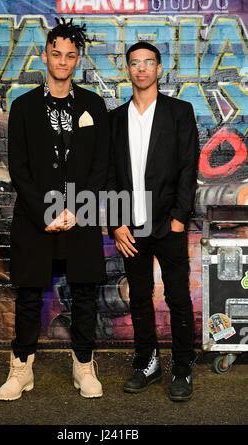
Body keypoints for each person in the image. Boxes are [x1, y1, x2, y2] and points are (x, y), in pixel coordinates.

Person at [0, 18, 109, 401]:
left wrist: (77, 209)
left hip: (80, 217)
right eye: (56, 54)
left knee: (84, 294)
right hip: (35, 219)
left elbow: (101, 165)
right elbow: (19, 168)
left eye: (70, 55)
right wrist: (44, 212)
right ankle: (21, 369)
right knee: (29, 295)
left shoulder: (94, 104)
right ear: (44, 56)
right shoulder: (23, 106)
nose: (62, 61)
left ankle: (83, 367)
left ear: (77, 61)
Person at [108, 41, 199, 401]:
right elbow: (109, 175)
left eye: (148, 63)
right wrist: (116, 222)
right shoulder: (115, 119)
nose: (141, 69)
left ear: (159, 69)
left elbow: (188, 169)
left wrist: (179, 219)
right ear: (127, 70)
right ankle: (147, 362)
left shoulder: (179, 112)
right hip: (131, 228)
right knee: (140, 298)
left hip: (168, 225)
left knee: (178, 298)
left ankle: (182, 368)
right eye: (135, 63)